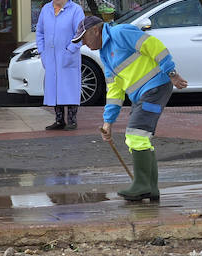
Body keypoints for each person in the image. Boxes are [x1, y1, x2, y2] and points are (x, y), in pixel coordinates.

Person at [73, 14, 188, 200]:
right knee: (140, 137)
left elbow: (156, 47)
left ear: (96, 30)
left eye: (84, 38)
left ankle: (142, 185)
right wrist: (107, 122)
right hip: (144, 94)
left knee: (136, 135)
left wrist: (172, 72)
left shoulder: (120, 33)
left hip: (155, 87)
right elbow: (114, 90)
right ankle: (150, 188)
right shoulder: (105, 54)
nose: (84, 44)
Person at [37, 0, 87, 130]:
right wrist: (42, 51)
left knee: (69, 87)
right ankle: (59, 120)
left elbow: (80, 33)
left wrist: (70, 50)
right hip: (50, 56)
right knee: (54, 88)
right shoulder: (46, 9)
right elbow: (40, 32)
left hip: (68, 56)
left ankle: (72, 120)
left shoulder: (76, 10)